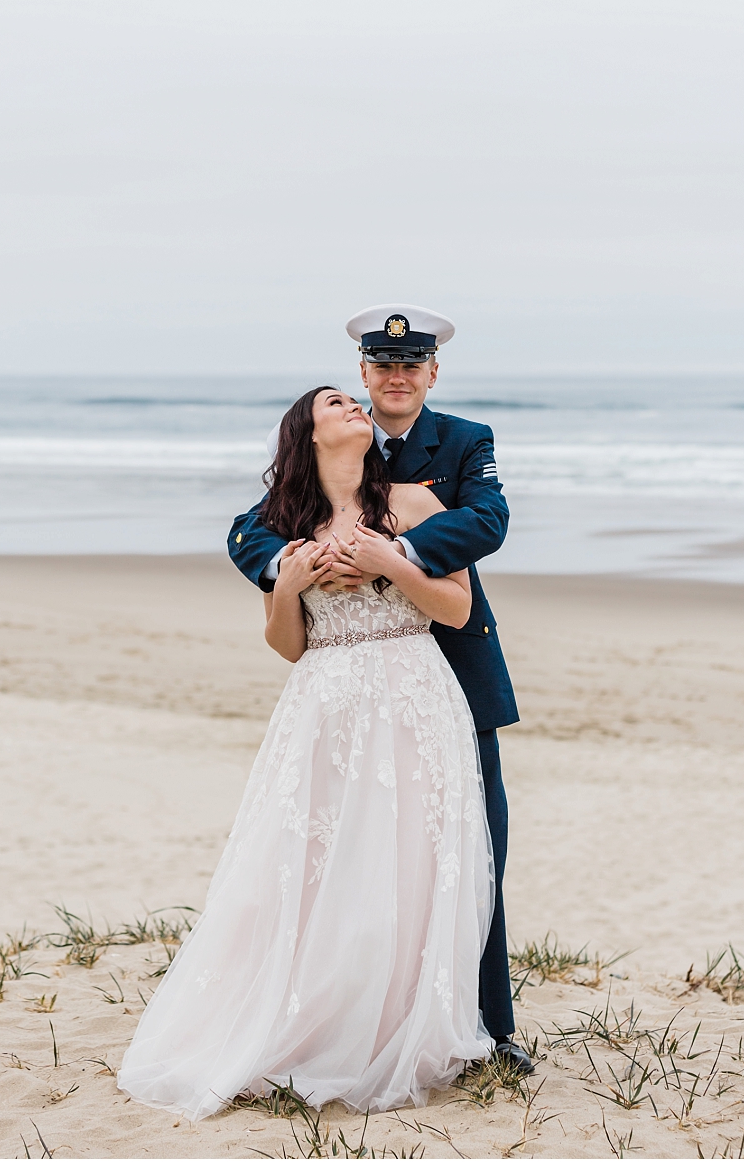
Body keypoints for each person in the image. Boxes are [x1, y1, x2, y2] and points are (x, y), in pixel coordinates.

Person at [116, 383, 497, 1118]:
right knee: (319, 865)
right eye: (335, 403)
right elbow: (288, 644)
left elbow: (458, 606)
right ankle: (312, 1020)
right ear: (306, 433)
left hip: (415, 691)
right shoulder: (286, 529)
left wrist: (393, 560)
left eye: (356, 401)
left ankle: (393, 1027)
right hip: (324, 704)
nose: (356, 406)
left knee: (410, 863)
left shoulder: (416, 503)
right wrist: (288, 585)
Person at [226, 306, 531, 1078]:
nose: (394, 378)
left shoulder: (463, 444)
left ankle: (489, 1025)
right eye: (381, 365)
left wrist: (391, 553)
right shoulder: (296, 501)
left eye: (411, 364)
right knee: (341, 852)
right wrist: (290, 570)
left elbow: (488, 518)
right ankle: (343, 1012)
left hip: (444, 675)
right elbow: (251, 532)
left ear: (431, 372)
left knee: (470, 850)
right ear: (364, 372)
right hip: (337, 687)